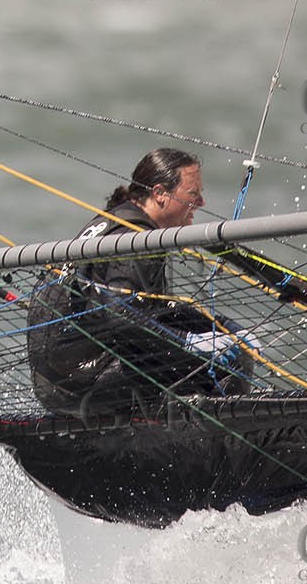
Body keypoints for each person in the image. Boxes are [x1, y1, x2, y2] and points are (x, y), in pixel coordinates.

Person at [27, 148, 254, 416]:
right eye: (193, 194)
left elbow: (149, 310)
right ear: (159, 194)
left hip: (56, 380)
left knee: (214, 348)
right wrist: (189, 342)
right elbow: (119, 315)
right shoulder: (139, 239)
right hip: (82, 380)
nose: (202, 202)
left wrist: (219, 326)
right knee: (230, 363)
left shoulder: (115, 219)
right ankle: (214, 445)